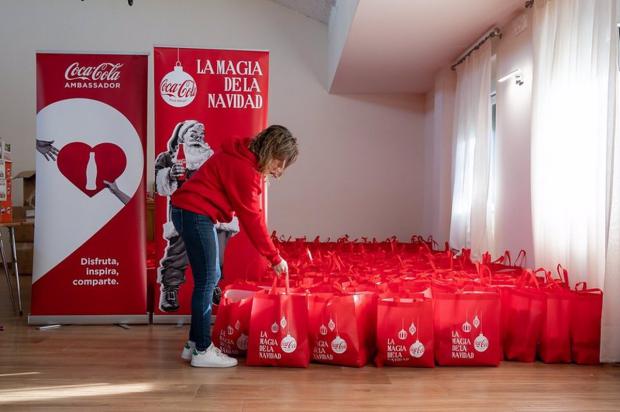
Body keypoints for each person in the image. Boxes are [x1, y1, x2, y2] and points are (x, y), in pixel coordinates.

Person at [171, 124, 298, 368]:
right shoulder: (245, 169)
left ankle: (193, 344)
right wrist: (275, 257)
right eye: (279, 161)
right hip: (195, 214)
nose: (279, 170)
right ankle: (202, 350)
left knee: (209, 277)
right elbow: (253, 219)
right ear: (270, 150)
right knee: (208, 280)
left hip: (190, 212)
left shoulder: (240, 154)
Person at [154, 120, 239, 312]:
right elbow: (158, 186)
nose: (199, 137)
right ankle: (170, 288)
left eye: (202, 133)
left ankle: (213, 286)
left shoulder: (212, 156)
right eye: (193, 133)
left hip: (214, 214)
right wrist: (169, 175)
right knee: (178, 253)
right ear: (181, 135)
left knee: (217, 256)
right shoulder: (168, 157)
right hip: (185, 213)